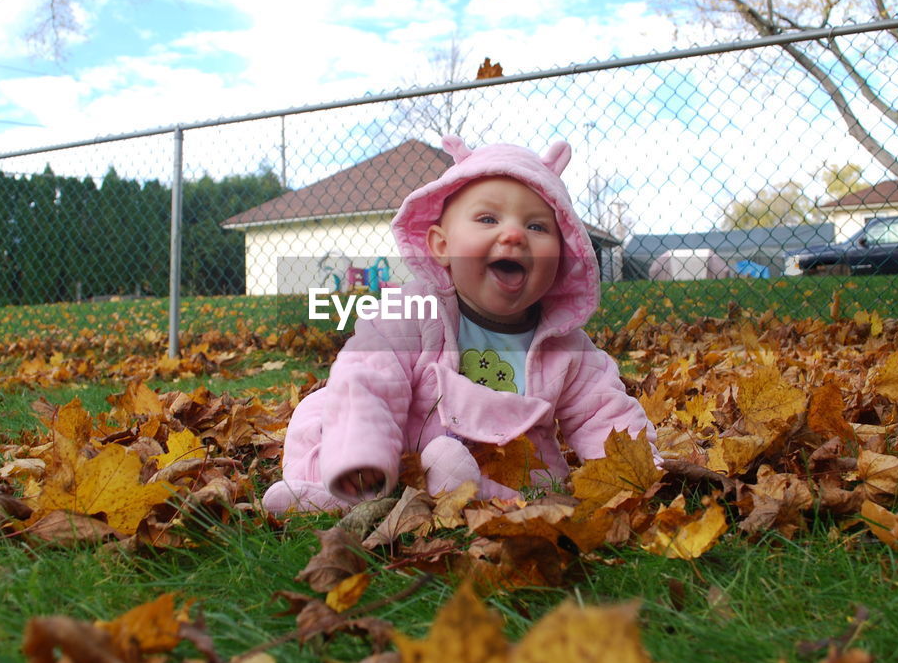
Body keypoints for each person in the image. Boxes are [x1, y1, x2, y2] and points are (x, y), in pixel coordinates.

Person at [261, 135, 654, 513]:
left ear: (563, 257)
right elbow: (370, 378)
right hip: (402, 460)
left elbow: (605, 415)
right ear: (442, 246)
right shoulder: (412, 311)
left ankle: (470, 493)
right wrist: (362, 455)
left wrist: (641, 472)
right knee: (321, 407)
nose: (514, 234)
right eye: (488, 218)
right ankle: (336, 487)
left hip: (512, 477)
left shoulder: (568, 348)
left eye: (537, 227)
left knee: (491, 467)